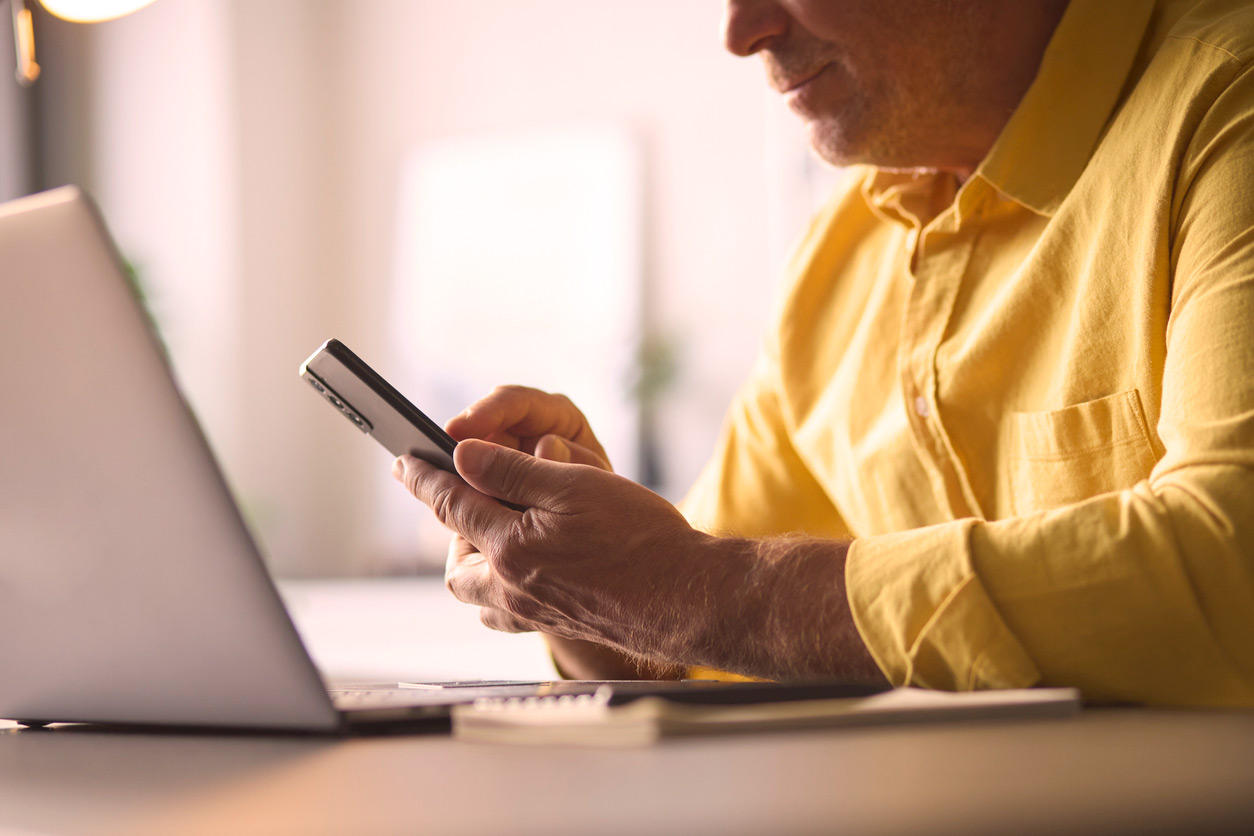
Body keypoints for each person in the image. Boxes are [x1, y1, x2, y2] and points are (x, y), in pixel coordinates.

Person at [392, 0, 1254, 706]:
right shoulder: (837, 258)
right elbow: (693, 650)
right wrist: (578, 586)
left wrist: (693, 587)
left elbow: (1233, 568)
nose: (741, 32)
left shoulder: (1227, 100)